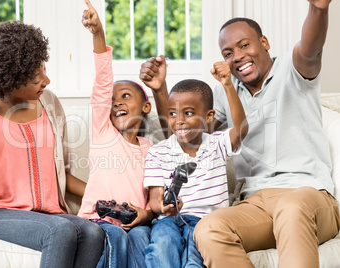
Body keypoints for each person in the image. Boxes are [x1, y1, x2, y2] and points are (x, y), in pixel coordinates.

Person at [0, 11, 104, 268]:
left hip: (51, 213)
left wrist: (101, 192)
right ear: (9, 83)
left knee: (94, 233)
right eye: (37, 79)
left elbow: (60, 173)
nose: (46, 81)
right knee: (60, 232)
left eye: (44, 71)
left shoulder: (49, 104)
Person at [190, 1, 340, 267]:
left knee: (291, 207)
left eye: (244, 45)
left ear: (264, 42)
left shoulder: (292, 70)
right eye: (227, 53)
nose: (236, 56)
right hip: (255, 204)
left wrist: (318, 9)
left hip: (309, 195)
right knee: (208, 228)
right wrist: (158, 89)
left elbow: (310, 48)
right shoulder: (228, 90)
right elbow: (190, 134)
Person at [77, 1, 166, 267]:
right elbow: (103, 81)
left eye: (125, 96)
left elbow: (154, 199)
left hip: (135, 223)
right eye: (113, 100)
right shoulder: (103, 132)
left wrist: (146, 215)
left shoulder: (151, 148)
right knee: (116, 236)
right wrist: (98, 35)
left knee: (141, 237)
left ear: (145, 106)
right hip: (98, 220)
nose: (116, 102)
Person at [142, 60, 248, 267]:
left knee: (193, 257)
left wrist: (227, 84)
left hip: (206, 222)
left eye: (188, 113)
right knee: (162, 246)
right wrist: (163, 207)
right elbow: (154, 197)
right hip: (167, 221)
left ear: (208, 117)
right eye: (173, 113)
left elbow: (241, 128)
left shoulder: (217, 144)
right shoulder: (158, 151)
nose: (178, 120)